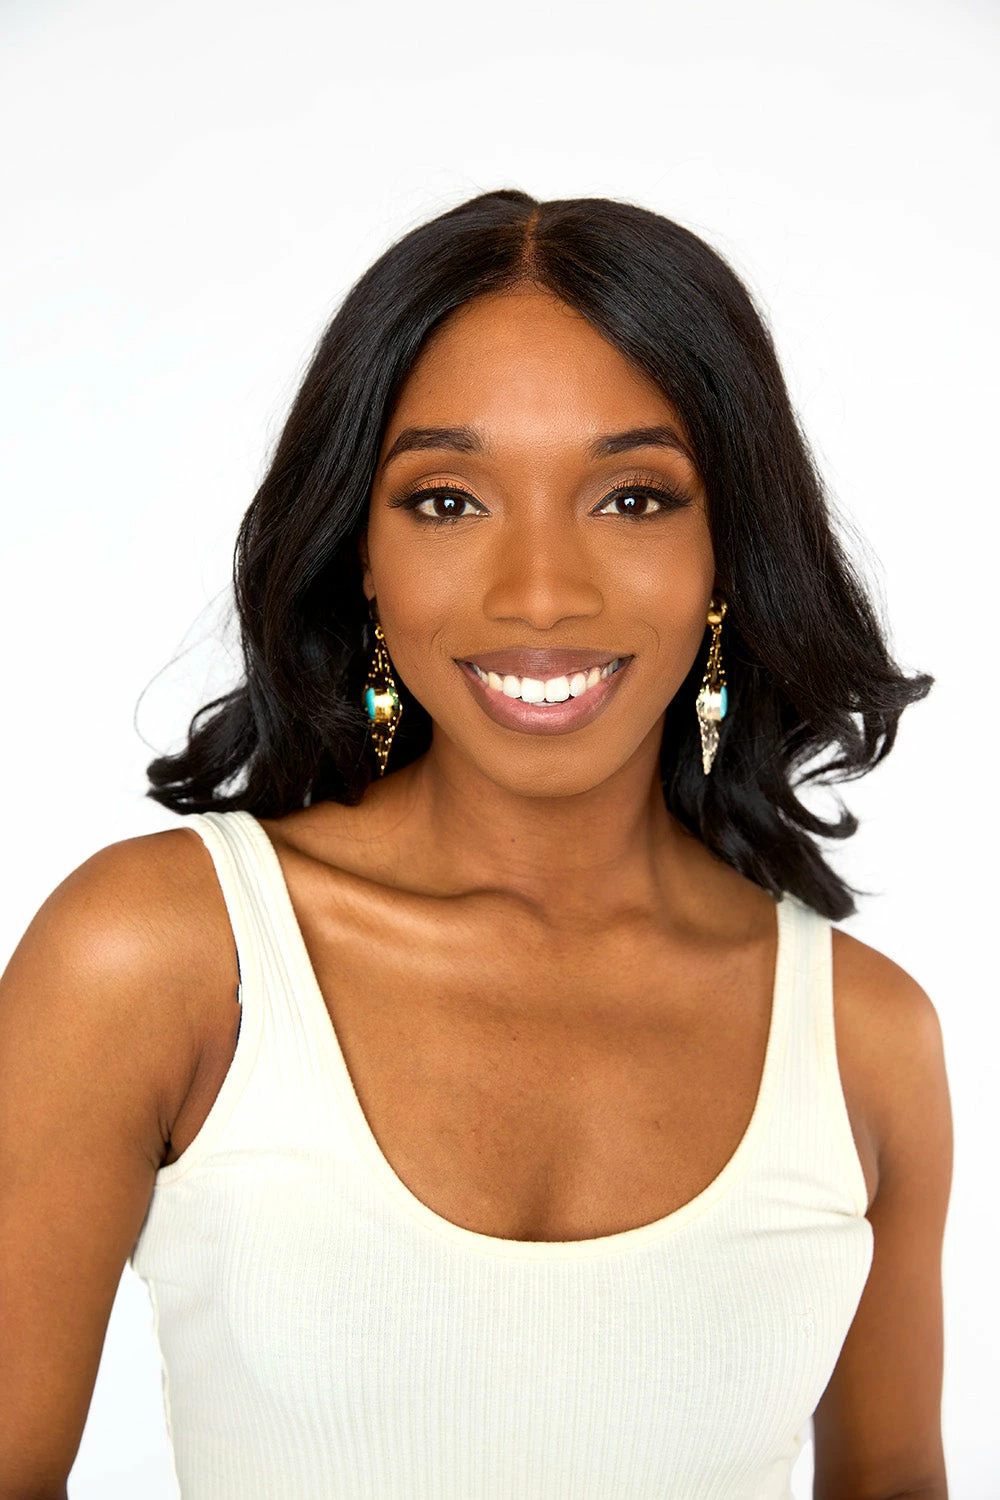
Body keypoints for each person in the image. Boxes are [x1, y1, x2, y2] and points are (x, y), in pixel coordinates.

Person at [0, 190, 952, 1500]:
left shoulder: (865, 1042)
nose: (541, 594)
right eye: (448, 501)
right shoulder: (165, 959)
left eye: (633, 497)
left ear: (727, 553)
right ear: (361, 552)